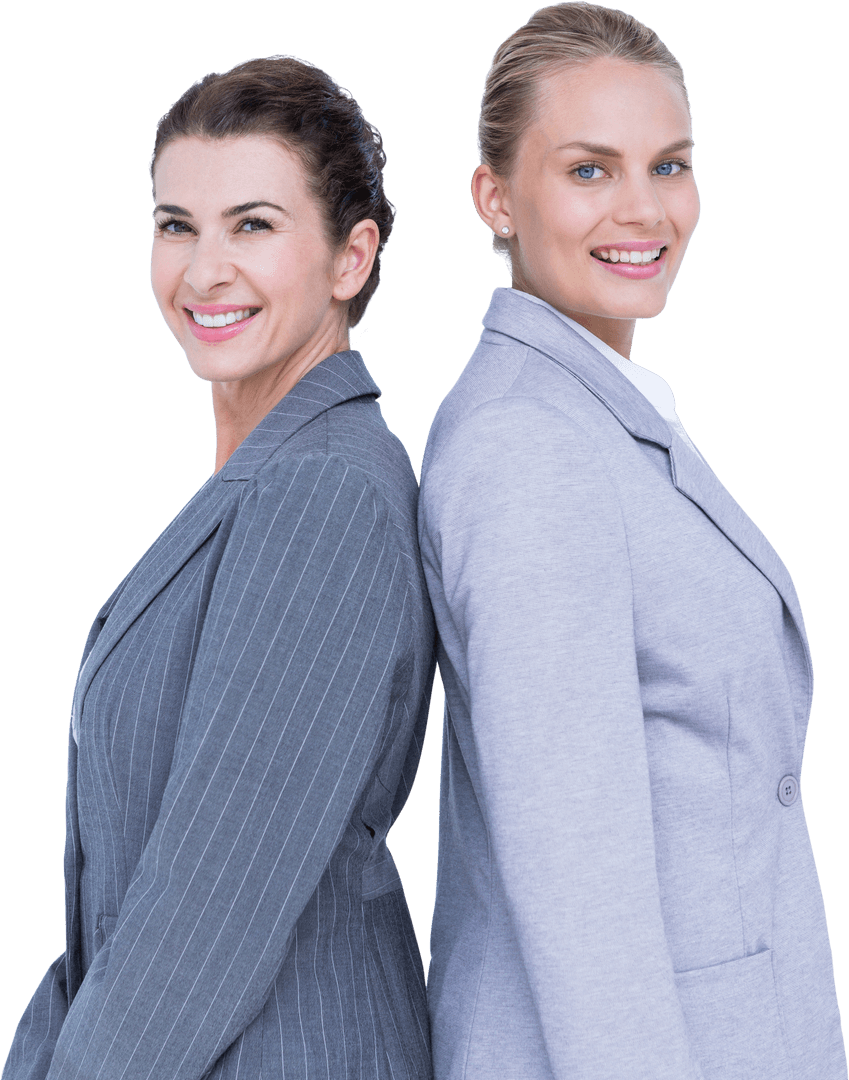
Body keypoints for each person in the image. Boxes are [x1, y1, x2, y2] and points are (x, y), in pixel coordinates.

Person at [417, 4, 847, 1079]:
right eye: (590, 170)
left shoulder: (598, 410)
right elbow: (578, 887)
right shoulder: (532, 450)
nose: (645, 209)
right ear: (494, 199)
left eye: (670, 164)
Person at [3, 57, 434, 1080]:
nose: (203, 270)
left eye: (253, 224)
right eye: (176, 225)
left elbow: (209, 904)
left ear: (350, 257)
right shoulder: (265, 480)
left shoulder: (319, 495)